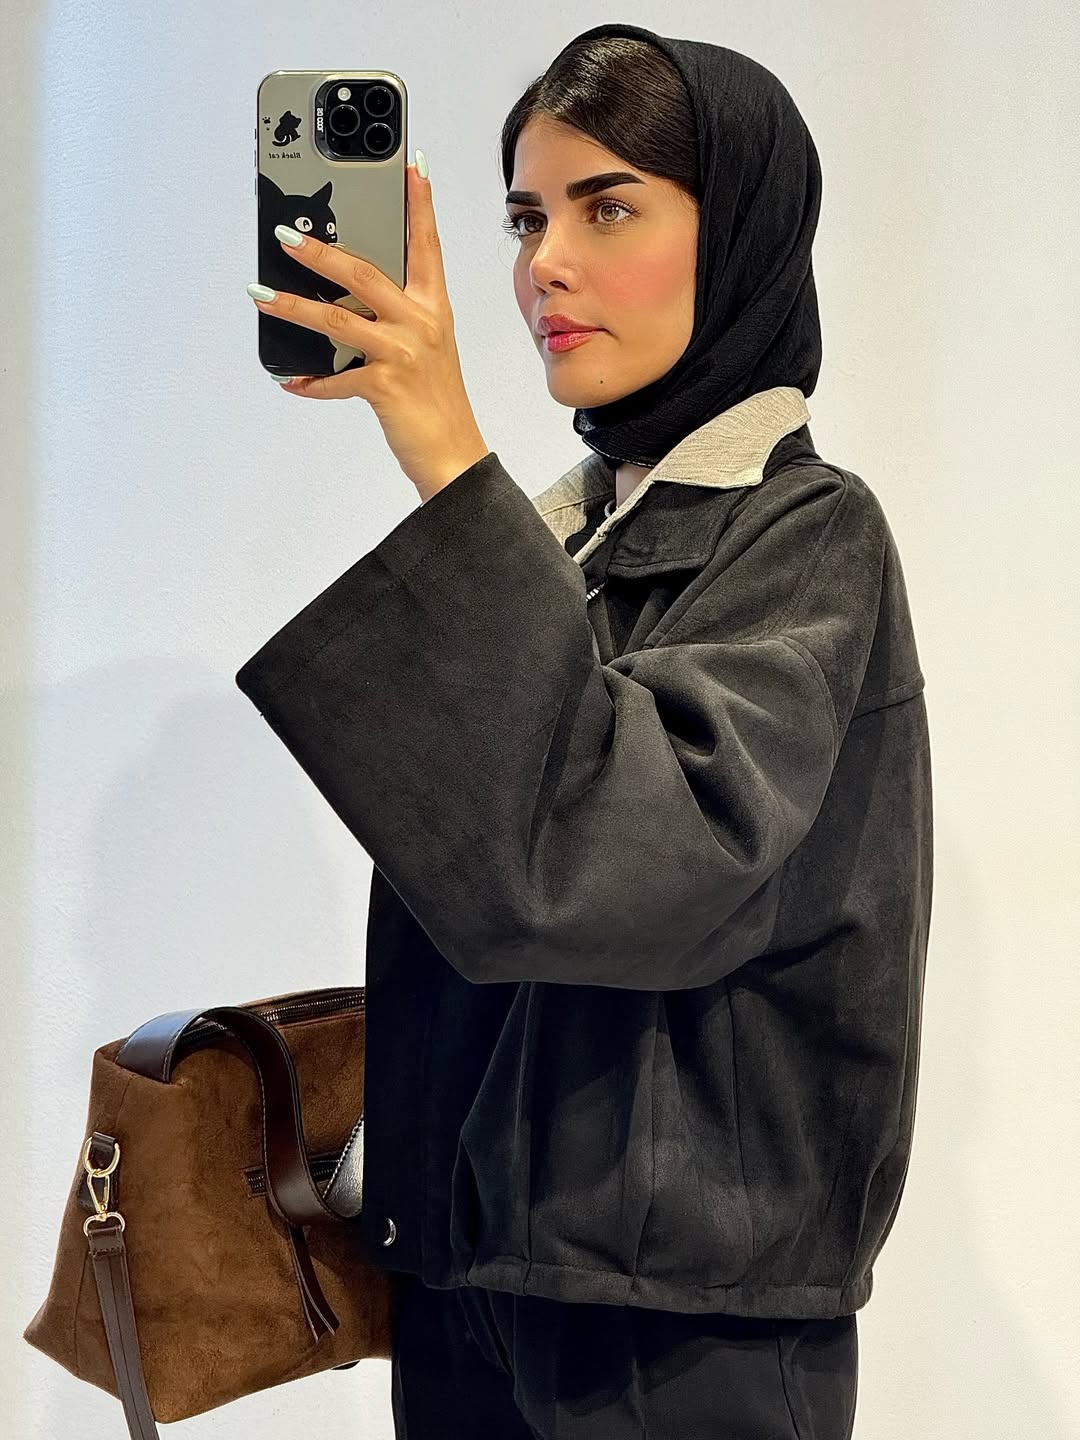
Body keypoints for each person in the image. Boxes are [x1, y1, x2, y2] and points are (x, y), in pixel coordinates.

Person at [236, 22, 933, 1439]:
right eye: (525, 217)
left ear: (737, 232)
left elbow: (611, 872)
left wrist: (450, 461)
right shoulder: (572, 542)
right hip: (474, 1280)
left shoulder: (808, 533)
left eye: (607, 207)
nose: (544, 263)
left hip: (680, 1322)